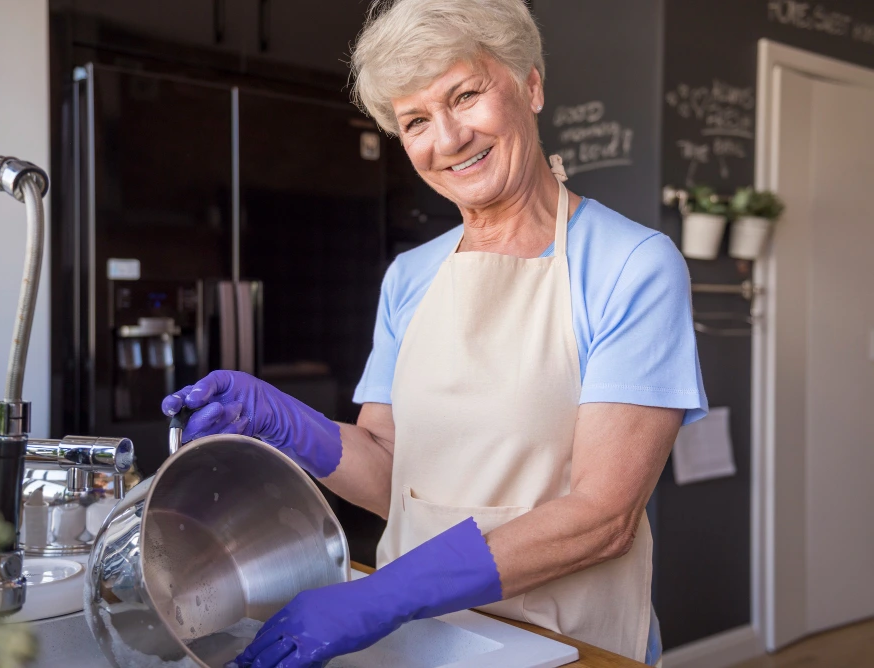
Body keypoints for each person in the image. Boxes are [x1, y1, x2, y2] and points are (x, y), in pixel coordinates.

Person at [162, 0, 707, 665]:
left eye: (466, 95)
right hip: (416, 640)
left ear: (531, 85)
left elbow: (603, 516)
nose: (446, 140)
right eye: (416, 120)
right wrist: (284, 423)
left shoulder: (631, 266)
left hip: (563, 641)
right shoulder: (411, 275)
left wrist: (380, 595)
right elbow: (394, 473)